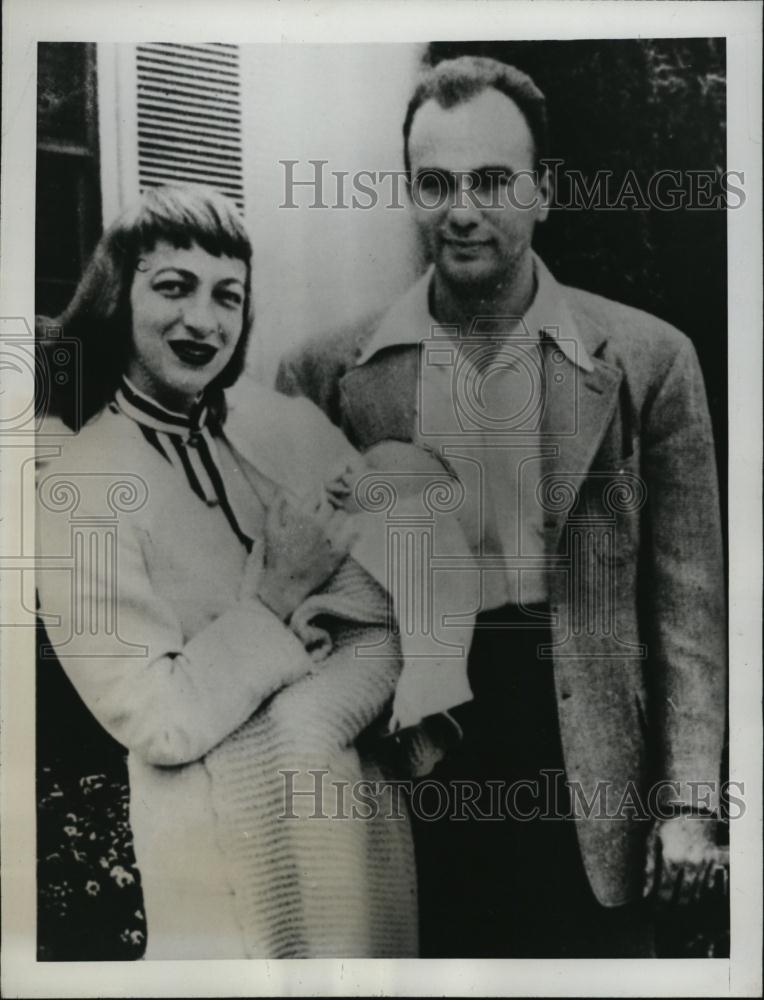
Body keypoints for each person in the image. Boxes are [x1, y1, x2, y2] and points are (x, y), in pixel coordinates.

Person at [276, 56, 727, 957]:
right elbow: (292, 596)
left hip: (593, 760)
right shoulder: (327, 374)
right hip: (404, 749)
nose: (462, 210)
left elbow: (689, 611)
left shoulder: (649, 361)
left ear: (544, 190)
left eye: (491, 180)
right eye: (435, 183)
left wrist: (688, 804)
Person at [35, 184, 476, 959]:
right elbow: (155, 715)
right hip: (220, 849)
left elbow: (402, 561)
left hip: (355, 809)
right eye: (173, 287)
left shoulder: (280, 422)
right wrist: (274, 602)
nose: (203, 320)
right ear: (116, 298)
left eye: (227, 297)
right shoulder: (82, 488)